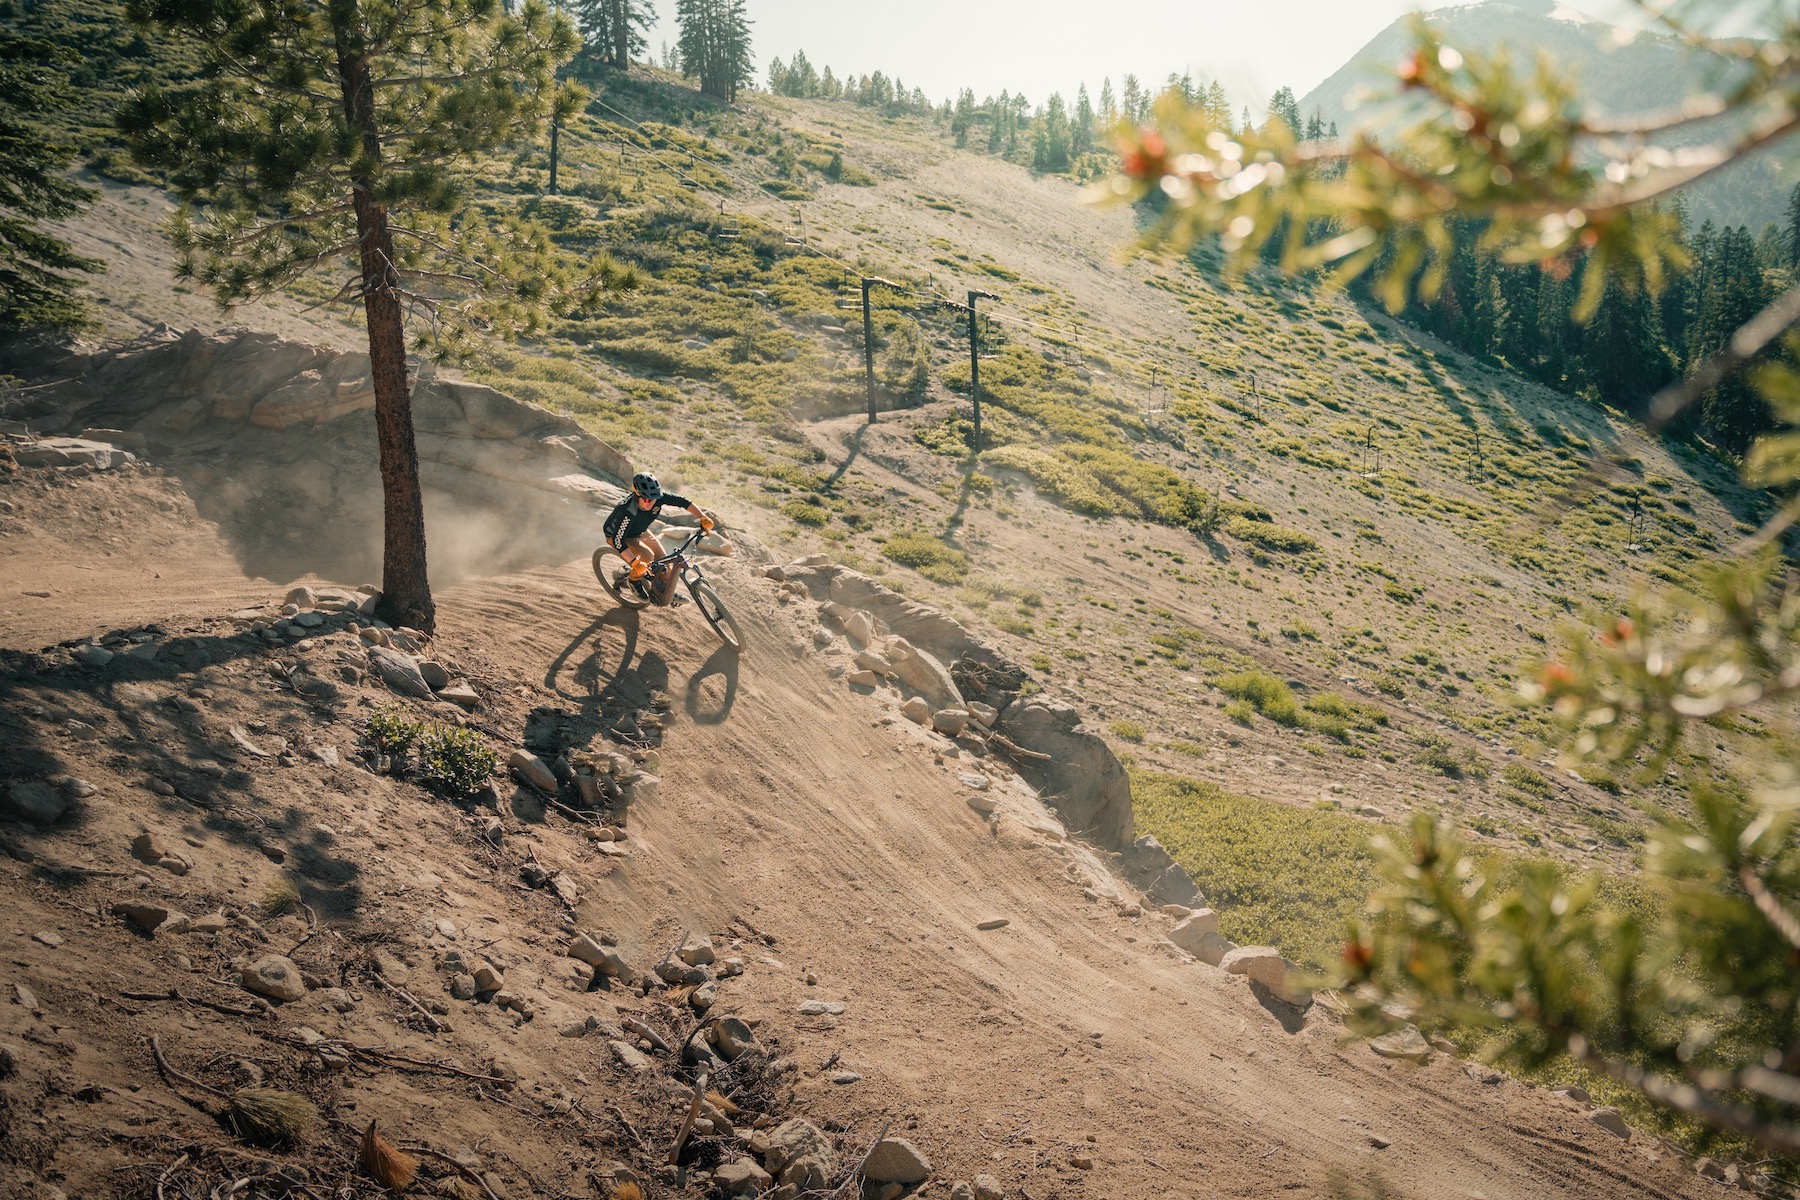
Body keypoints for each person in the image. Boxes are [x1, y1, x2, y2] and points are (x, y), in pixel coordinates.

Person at [603, 472, 714, 603]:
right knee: (647, 556)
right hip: (619, 536)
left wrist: (702, 517)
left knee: (665, 561)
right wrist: (635, 563)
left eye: (654, 498)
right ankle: (633, 581)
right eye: (647, 500)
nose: (651, 502)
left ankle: (666, 590)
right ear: (638, 495)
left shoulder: (657, 498)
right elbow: (618, 541)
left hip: (640, 531)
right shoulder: (627, 512)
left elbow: (683, 502)